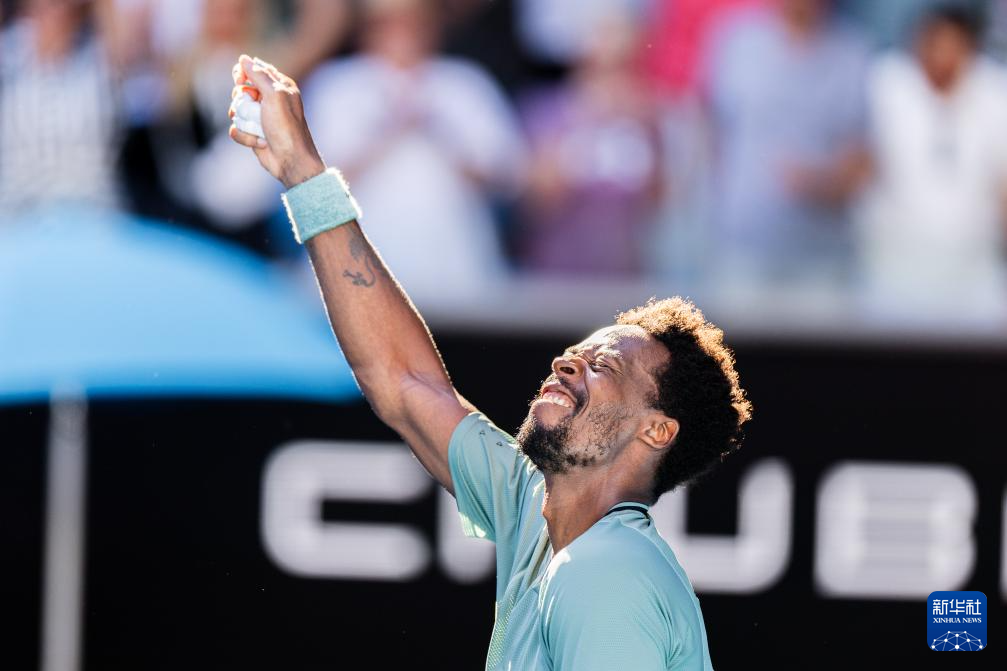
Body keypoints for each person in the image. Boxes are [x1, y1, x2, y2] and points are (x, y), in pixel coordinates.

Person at [228, 54, 752, 670]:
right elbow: (402, 379)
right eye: (576, 353)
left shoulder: (606, 572)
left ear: (656, 430)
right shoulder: (535, 511)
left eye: (603, 366)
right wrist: (303, 173)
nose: (566, 364)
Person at [857, 3, 1007, 317]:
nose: (942, 57)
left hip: (974, 267)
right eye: (933, 44)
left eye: (952, 46)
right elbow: (858, 161)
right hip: (897, 267)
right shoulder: (885, 84)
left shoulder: (995, 91)